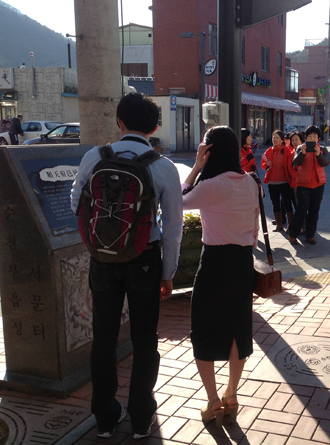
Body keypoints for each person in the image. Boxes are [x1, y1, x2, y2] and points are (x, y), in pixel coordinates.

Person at [70, 93, 184, 439]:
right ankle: (140, 418)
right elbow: (173, 229)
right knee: (145, 338)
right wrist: (168, 273)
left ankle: (105, 419)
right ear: (155, 127)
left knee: (103, 338)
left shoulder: (96, 156)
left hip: (102, 258)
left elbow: (76, 202)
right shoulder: (162, 166)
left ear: (119, 122)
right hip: (144, 260)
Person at [181, 126, 259, 428]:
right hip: (242, 262)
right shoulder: (251, 182)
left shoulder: (211, 185)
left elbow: (177, 201)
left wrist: (195, 168)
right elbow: (254, 230)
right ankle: (232, 395)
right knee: (238, 327)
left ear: (209, 151)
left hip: (214, 261)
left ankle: (213, 400)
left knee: (203, 328)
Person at [287, 125, 330, 245]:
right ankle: (293, 234)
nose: (312, 139)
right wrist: (302, 153)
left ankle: (310, 235)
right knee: (301, 211)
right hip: (304, 184)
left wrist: (318, 154)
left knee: (314, 212)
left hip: (318, 184)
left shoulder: (323, 149)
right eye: (309, 136)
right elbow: (296, 162)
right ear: (306, 138)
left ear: (318, 138)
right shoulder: (300, 148)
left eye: (314, 136)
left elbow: (325, 162)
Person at [260, 129, 296, 231]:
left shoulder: (288, 151)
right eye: (273, 137)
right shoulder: (269, 151)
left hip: (284, 181)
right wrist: (266, 165)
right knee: (275, 203)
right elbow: (263, 165)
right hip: (272, 181)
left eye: (277, 138)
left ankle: (290, 225)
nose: (274, 140)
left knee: (287, 203)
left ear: (282, 140)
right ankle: (279, 225)